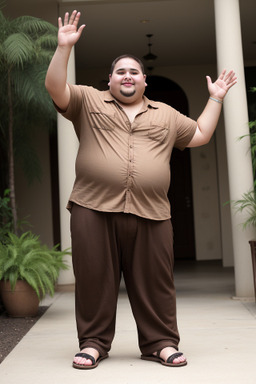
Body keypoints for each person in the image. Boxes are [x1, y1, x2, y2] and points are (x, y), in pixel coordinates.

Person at [45, 10, 237, 370]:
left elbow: (200, 135)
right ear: (110, 79)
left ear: (144, 81)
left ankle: (161, 343)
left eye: (134, 71)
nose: (127, 76)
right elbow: (55, 88)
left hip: (152, 211)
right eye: (121, 71)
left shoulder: (165, 113)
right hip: (93, 208)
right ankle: (93, 343)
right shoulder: (88, 101)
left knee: (156, 283)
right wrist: (64, 49)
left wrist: (216, 98)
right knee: (93, 280)